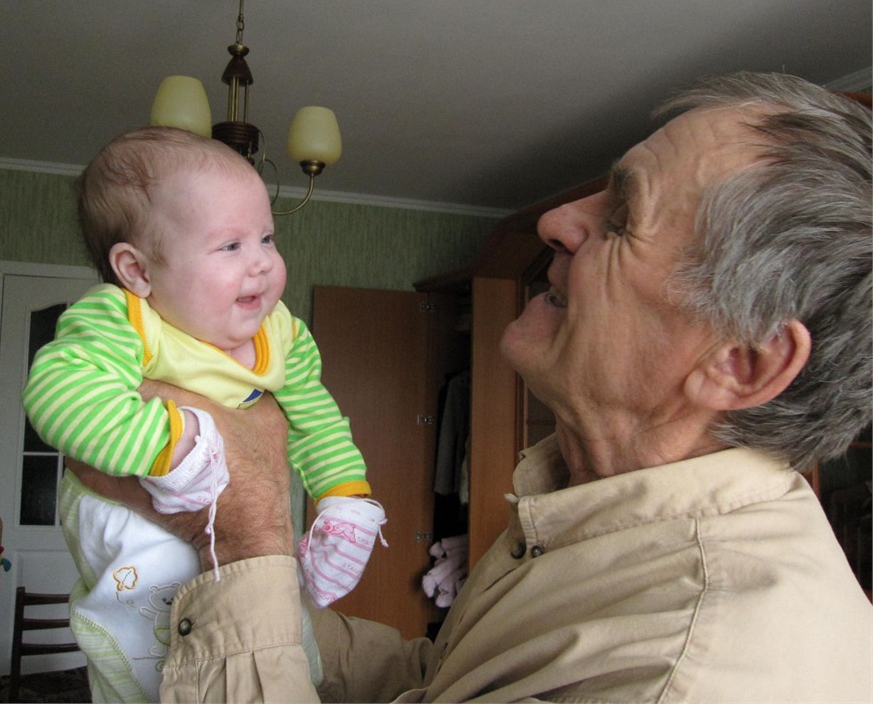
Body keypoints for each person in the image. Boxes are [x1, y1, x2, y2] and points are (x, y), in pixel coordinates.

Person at [72, 72, 873, 702]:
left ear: (741, 363)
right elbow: (444, 682)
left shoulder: (686, 672)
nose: (557, 219)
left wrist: (246, 535)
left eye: (622, 217)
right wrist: (230, 590)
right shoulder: (591, 507)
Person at [21, 128, 387, 702]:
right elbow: (59, 393)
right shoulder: (124, 317)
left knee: (263, 616)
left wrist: (345, 500)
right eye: (230, 246)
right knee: (148, 651)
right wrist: (166, 444)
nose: (261, 263)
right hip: (129, 508)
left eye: (266, 238)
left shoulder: (283, 334)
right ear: (138, 271)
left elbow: (317, 420)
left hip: (228, 527)